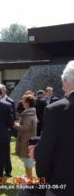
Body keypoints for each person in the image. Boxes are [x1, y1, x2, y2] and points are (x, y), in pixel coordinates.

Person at [31, 61, 74, 196]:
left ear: (67, 82)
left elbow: (45, 152)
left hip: (64, 183)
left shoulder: (57, 109)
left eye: (62, 84)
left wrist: (36, 153)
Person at [14, 94, 37, 178]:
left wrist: (16, 125)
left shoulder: (28, 113)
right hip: (28, 138)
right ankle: (28, 176)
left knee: (28, 159)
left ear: (27, 102)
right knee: (27, 159)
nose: (22, 102)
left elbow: (26, 128)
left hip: (26, 139)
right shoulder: (31, 112)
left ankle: (29, 178)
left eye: (23, 101)